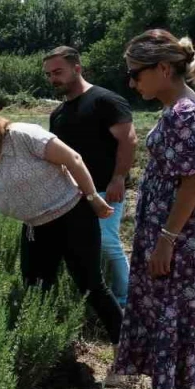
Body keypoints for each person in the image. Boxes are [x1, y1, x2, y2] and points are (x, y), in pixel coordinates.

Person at [108, 29, 195, 389]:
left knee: (183, 313)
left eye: (136, 73)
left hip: (181, 237)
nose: (132, 81)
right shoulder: (179, 108)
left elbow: (192, 183)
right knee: (176, 312)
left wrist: (166, 241)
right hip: (174, 233)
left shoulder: (185, 114)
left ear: (162, 68)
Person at [0, 95, 123, 338]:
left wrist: (93, 197)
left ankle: (124, 349)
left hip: (73, 216)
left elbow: (73, 159)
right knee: (34, 292)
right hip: (35, 228)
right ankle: (45, 346)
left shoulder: (22, 136)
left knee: (90, 286)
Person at [44, 46, 138, 309]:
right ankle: (93, 296)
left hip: (106, 188)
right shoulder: (58, 114)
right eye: (49, 74)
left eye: (58, 71)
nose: (53, 78)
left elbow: (129, 141)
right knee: (78, 246)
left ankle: (124, 298)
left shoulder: (105, 101)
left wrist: (119, 178)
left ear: (77, 68)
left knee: (107, 242)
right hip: (71, 193)